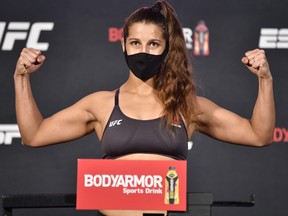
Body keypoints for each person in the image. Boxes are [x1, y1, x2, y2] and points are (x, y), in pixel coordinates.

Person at [13, 0, 275, 216]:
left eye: (153, 44)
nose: (143, 51)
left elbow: (258, 135)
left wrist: (265, 80)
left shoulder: (186, 105)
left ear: (166, 48)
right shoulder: (101, 104)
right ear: (123, 45)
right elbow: (34, 135)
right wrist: (21, 78)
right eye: (135, 43)